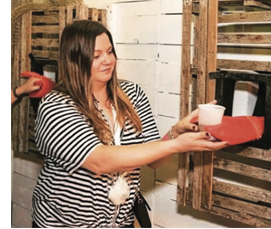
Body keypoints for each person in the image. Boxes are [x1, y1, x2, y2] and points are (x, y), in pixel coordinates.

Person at [31, 20, 229, 228]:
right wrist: (177, 145)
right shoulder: (56, 105)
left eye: (110, 51)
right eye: (96, 55)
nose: (107, 60)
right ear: (75, 60)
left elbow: (154, 160)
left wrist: (175, 134)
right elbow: (100, 161)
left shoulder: (132, 95)